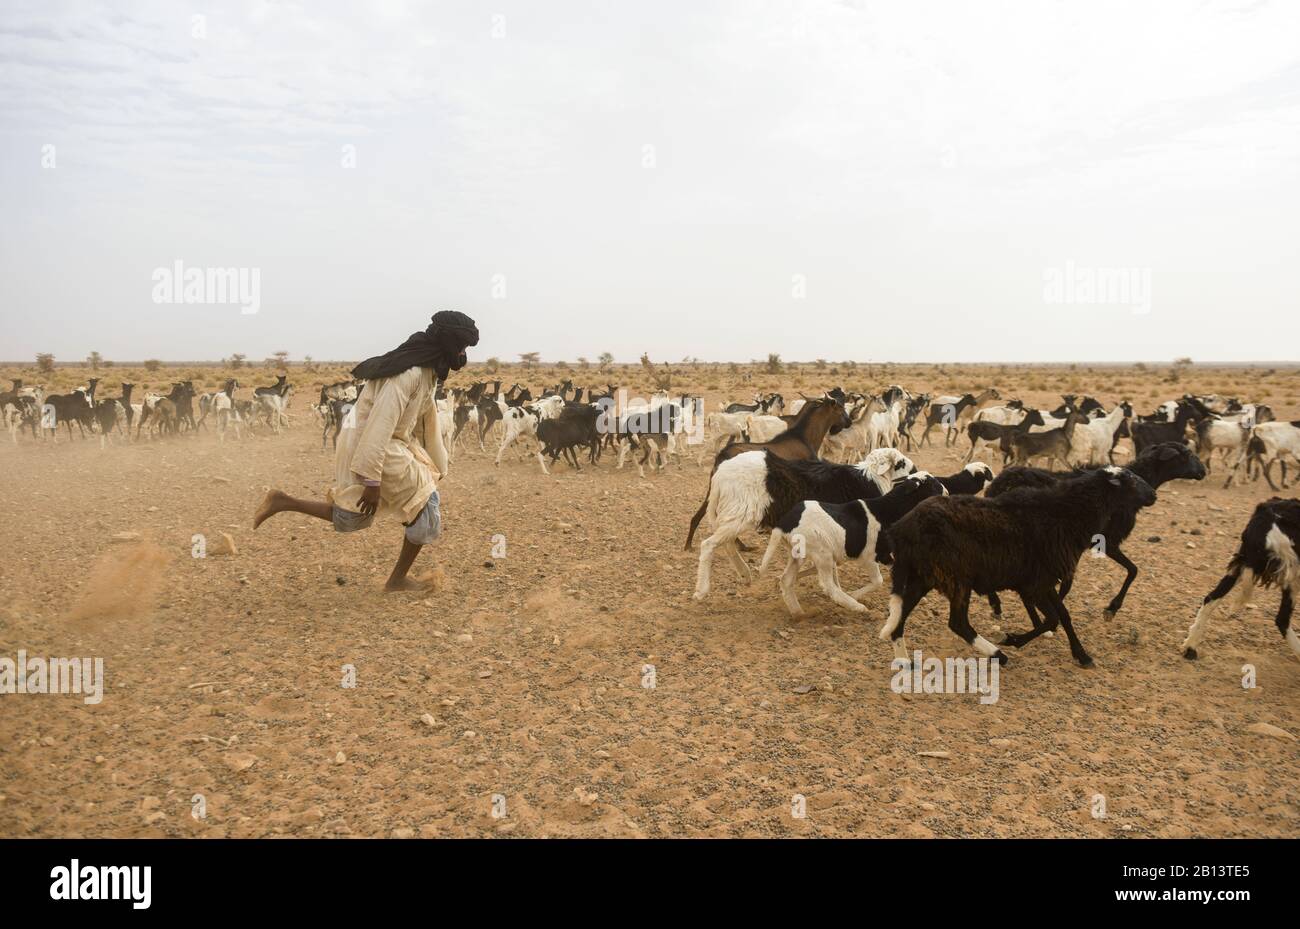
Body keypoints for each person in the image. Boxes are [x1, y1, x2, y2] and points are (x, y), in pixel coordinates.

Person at [253, 311, 479, 591]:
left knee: (353, 516)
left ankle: (283, 501)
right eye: (462, 346)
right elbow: (381, 424)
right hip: (374, 444)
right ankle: (397, 580)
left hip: (386, 443)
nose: (463, 353)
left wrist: (432, 460)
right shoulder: (408, 373)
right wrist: (371, 480)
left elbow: (422, 417)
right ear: (448, 344)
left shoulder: (426, 371)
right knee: (426, 502)